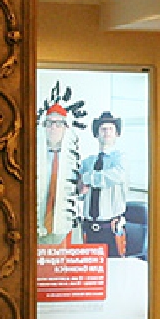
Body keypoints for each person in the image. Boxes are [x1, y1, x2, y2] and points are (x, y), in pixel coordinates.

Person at [36, 84, 88, 246]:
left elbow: (82, 191)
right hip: (34, 227)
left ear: (66, 128)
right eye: (49, 123)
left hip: (65, 229)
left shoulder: (76, 161)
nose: (53, 128)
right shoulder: (31, 159)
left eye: (58, 124)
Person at [77, 111, 131, 256]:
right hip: (88, 228)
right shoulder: (87, 163)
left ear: (116, 134)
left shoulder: (121, 159)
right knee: (90, 267)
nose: (107, 132)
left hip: (111, 229)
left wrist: (87, 178)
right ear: (97, 134)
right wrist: (80, 187)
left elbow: (115, 176)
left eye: (110, 129)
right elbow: (79, 189)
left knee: (113, 267)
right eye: (103, 129)